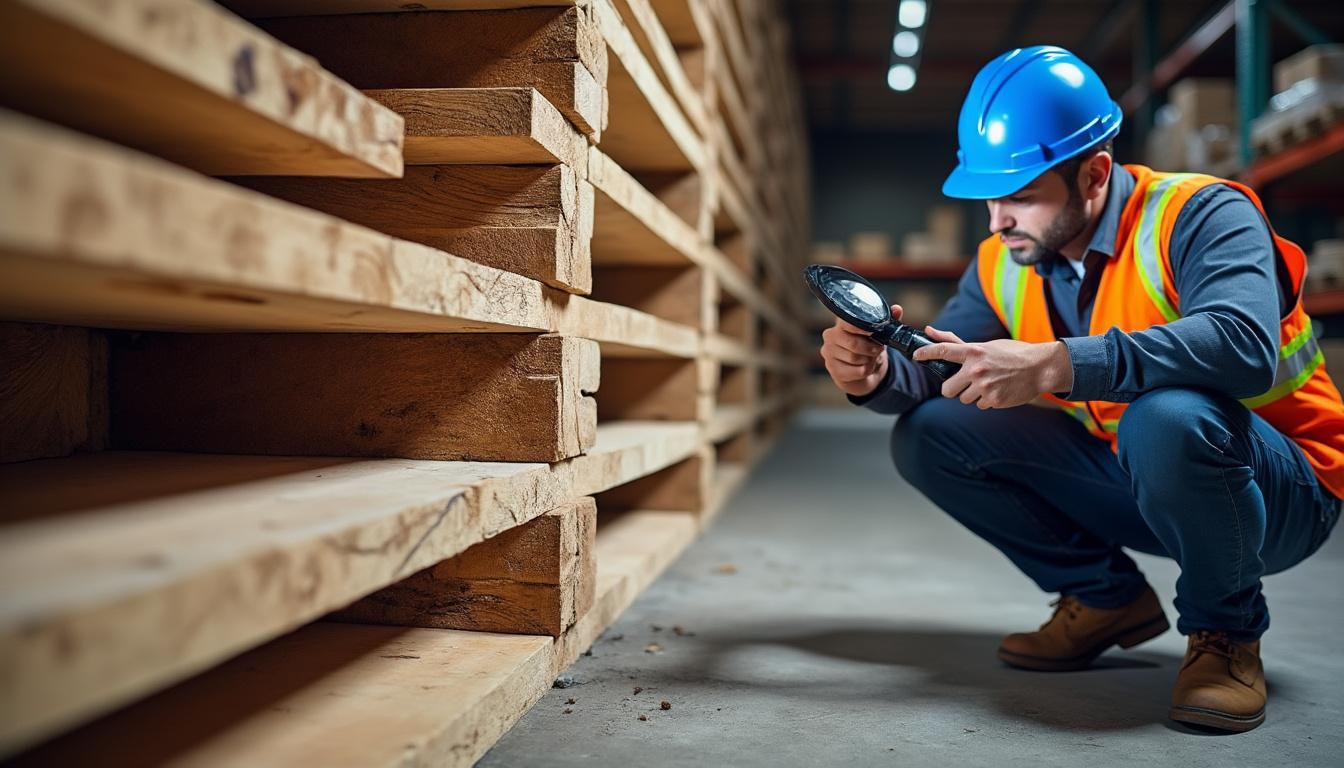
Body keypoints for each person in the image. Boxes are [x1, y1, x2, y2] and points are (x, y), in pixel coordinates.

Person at [819, 45, 1344, 733]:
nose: (998, 220)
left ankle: (1225, 635)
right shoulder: (1004, 261)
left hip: (1286, 492)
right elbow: (942, 368)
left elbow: (1241, 345)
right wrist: (879, 374)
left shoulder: (1200, 215)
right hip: (1147, 477)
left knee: (1168, 416)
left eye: (1021, 197)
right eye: (989, 199)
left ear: (1095, 173)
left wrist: (1052, 365)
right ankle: (1104, 600)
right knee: (930, 433)